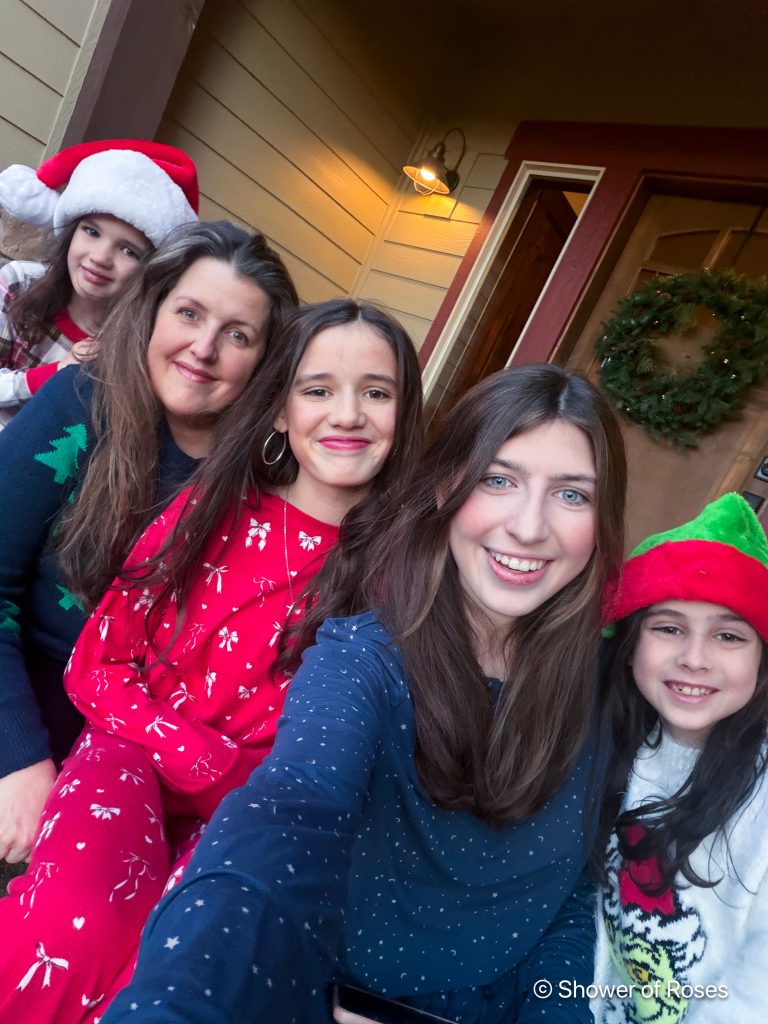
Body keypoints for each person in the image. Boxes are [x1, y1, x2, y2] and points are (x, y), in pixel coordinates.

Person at [100, 362, 628, 1024]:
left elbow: (573, 894)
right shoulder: (360, 661)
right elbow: (290, 811)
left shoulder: (611, 687)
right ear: (447, 486)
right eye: (499, 480)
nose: (529, 526)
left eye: (572, 495)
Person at [0, 298, 423, 1024]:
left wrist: (238, 786)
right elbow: (98, 663)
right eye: (318, 389)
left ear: (404, 417)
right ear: (282, 410)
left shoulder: (405, 576)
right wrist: (198, 755)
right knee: (71, 936)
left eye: (376, 393)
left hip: (256, 811)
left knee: (174, 973)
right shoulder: (215, 508)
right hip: (129, 754)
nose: (348, 413)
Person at [0, 219, 298, 866]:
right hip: (24, 725)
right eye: (189, 313)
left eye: (238, 334)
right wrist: (18, 760)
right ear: (155, 310)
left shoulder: (265, 481)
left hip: (147, 773)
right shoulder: (82, 404)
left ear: (265, 361)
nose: (203, 347)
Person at [590, 492, 768, 1024]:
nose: (694, 659)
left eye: (728, 636)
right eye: (668, 628)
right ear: (630, 644)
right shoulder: (602, 748)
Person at [0, 139, 200, 427]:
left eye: (128, 251)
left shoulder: (139, 343)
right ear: (70, 231)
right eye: (92, 232)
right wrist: (55, 373)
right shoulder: (19, 282)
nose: (100, 257)